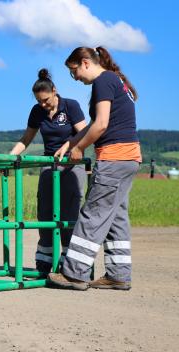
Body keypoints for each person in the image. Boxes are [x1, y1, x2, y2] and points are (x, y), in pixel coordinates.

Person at [48, 46, 141, 291]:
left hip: (113, 158)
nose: (75, 77)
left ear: (85, 62)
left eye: (74, 71)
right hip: (129, 158)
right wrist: (71, 142)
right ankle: (118, 274)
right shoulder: (115, 80)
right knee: (116, 216)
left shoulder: (103, 81)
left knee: (93, 213)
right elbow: (93, 123)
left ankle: (74, 274)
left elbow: (101, 125)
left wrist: (79, 150)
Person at [10, 68, 87, 274]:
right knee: (45, 212)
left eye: (45, 100)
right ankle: (44, 262)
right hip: (48, 165)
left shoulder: (71, 106)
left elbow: (85, 133)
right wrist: (10, 158)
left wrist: (70, 147)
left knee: (69, 214)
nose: (43, 105)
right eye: (39, 101)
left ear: (55, 91)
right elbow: (26, 139)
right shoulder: (37, 111)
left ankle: (72, 264)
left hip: (71, 165)